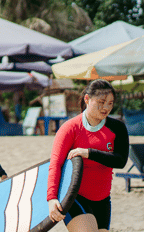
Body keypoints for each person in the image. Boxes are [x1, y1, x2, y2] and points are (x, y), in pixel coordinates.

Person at [47, 79, 128, 232]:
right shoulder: (70, 128)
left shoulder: (117, 128)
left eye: (110, 103)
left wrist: (89, 153)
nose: (106, 107)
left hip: (102, 200)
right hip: (75, 197)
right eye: (101, 102)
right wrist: (51, 198)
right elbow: (55, 164)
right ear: (87, 99)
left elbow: (120, 161)